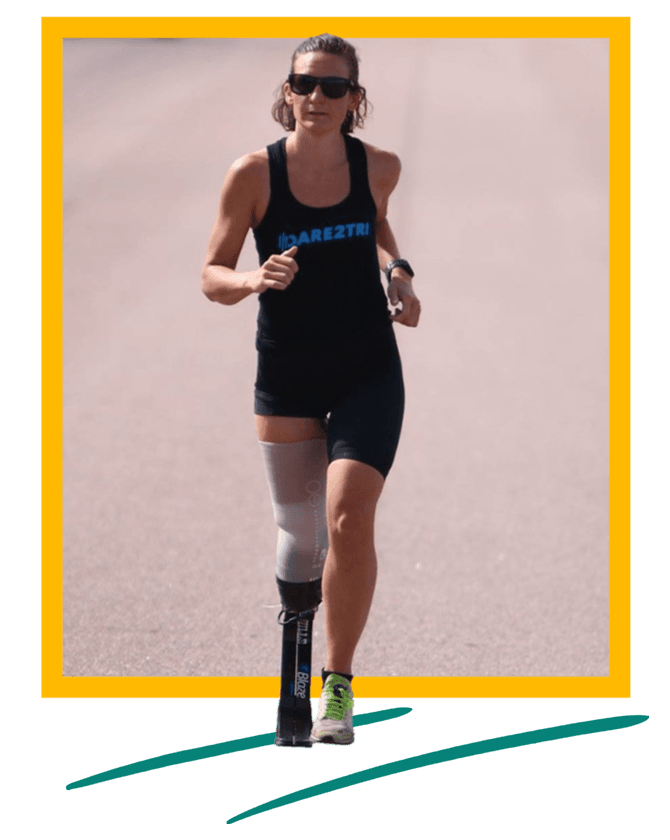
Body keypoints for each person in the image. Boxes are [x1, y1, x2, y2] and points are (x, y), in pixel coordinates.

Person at [202, 34, 421, 745]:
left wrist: (399, 271)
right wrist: (252, 278)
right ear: (287, 91)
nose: (317, 98)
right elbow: (211, 273)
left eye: (333, 87)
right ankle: (294, 647)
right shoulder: (253, 175)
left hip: (367, 367)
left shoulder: (379, 166)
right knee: (301, 539)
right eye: (305, 85)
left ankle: (337, 686)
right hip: (288, 371)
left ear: (355, 99)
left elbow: (378, 221)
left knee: (348, 519)